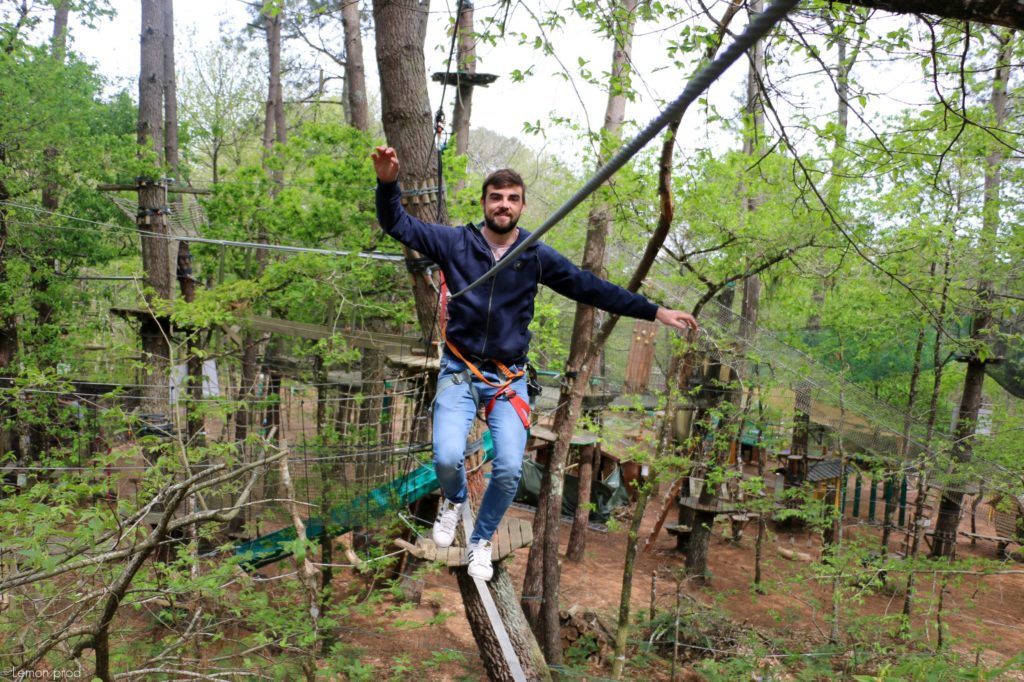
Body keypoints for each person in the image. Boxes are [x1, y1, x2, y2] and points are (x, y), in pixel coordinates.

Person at [372, 146, 697, 580]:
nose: (503, 205)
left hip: (508, 379)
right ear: (485, 203)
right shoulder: (455, 243)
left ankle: (481, 540)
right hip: (460, 371)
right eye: (495, 197)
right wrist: (388, 183)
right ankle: (453, 500)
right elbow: (397, 224)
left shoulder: (534, 255)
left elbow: (591, 288)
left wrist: (654, 311)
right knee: (448, 458)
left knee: (508, 467)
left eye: (511, 198)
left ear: (522, 206)